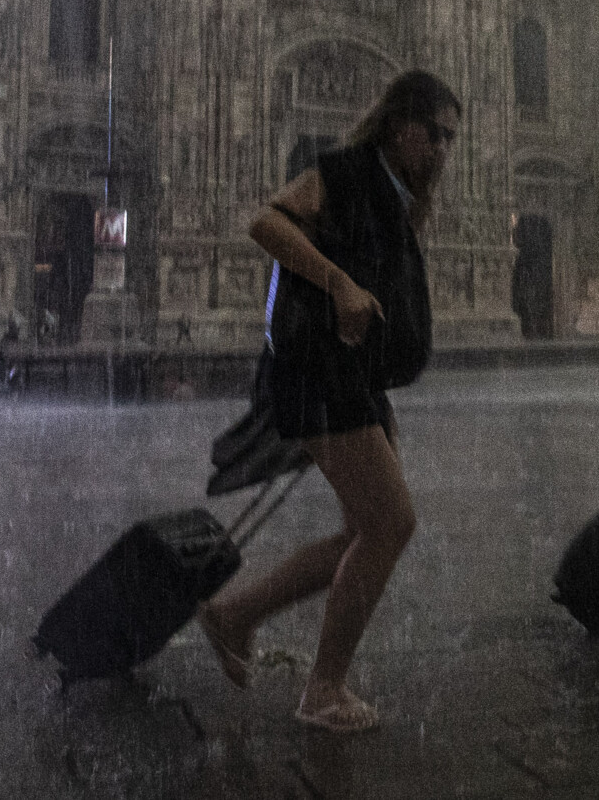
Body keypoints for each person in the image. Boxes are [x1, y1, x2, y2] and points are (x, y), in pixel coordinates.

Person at [196, 69, 458, 733]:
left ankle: (235, 616)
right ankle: (323, 689)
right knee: (390, 525)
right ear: (401, 127)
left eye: (451, 140)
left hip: (347, 379)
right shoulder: (348, 171)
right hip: (316, 374)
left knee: (363, 531)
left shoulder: (391, 192)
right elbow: (266, 221)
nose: (443, 151)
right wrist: (338, 282)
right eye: (436, 135)